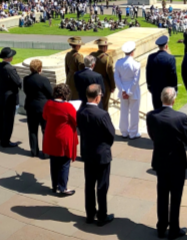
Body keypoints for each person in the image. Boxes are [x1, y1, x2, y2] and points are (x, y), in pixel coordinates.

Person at [146, 87, 187, 240]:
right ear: (174, 100)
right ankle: (174, 229)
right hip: (177, 161)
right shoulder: (180, 117)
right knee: (176, 197)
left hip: (160, 160)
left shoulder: (152, 116)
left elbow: (152, 136)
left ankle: (161, 227)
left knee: (162, 194)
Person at [77, 83, 116, 225]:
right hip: (101, 154)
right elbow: (111, 134)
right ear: (98, 97)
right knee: (102, 186)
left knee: (89, 184)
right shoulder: (102, 114)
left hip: (88, 153)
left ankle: (90, 214)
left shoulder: (80, 112)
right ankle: (102, 215)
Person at [42, 83, 78, 196]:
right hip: (64, 138)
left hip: (51, 137)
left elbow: (45, 116)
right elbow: (76, 121)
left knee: (54, 163)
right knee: (64, 164)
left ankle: (54, 185)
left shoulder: (48, 104)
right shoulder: (68, 107)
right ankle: (63, 187)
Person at [23, 59, 53, 159]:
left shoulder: (26, 79)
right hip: (42, 107)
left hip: (30, 106)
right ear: (40, 68)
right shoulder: (44, 80)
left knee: (32, 130)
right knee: (45, 130)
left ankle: (34, 151)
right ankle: (46, 152)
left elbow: (26, 91)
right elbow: (50, 94)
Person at [114, 41, 142, 139]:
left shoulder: (118, 63)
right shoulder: (136, 64)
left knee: (124, 112)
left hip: (123, 90)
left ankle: (124, 132)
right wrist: (129, 91)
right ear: (132, 52)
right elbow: (135, 80)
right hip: (133, 91)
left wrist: (123, 91)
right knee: (134, 113)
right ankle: (133, 133)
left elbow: (116, 78)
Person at [0, 47, 22, 148]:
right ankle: (6, 141)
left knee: (1, 119)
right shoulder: (10, 68)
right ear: (9, 57)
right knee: (9, 120)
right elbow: (18, 82)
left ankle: (2, 136)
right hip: (9, 99)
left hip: (1, 96)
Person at [146, 35, 177, 111]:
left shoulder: (151, 57)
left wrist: (149, 86)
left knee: (157, 110)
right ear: (166, 46)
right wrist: (174, 88)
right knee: (167, 110)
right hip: (167, 90)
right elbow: (173, 75)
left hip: (155, 89)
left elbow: (148, 73)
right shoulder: (170, 58)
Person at [90, 38, 116, 111]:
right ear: (105, 47)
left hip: (93, 83)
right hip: (104, 84)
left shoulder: (92, 55)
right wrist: (112, 86)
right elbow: (110, 73)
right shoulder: (107, 58)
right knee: (104, 105)